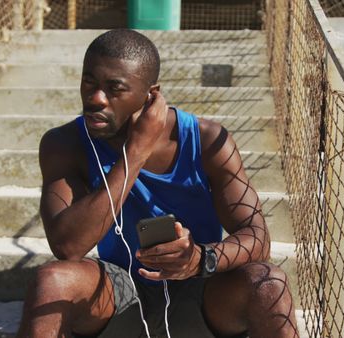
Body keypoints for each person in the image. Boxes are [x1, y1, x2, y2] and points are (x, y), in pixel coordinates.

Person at [17, 29, 299, 338]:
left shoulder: (206, 140)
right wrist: (135, 152)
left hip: (201, 293)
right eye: (89, 82)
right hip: (119, 291)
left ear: (151, 95)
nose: (96, 98)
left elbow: (258, 238)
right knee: (51, 281)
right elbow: (67, 247)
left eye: (114, 89)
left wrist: (200, 259)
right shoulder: (65, 143)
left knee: (270, 283)